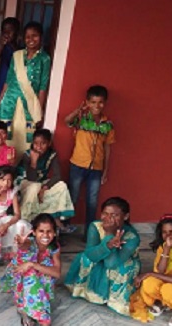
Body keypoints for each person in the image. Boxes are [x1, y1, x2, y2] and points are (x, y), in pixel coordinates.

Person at [65, 197, 141, 316]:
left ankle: (115, 299)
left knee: (125, 267)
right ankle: (87, 291)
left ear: (125, 216)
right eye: (105, 213)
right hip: (99, 257)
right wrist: (109, 244)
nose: (108, 218)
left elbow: (111, 264)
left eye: (114, 215)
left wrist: (110, 234)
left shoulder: (131, 236)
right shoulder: (95, 227)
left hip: (119, 262)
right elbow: (91, 254)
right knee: (85, 258)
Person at [0, 21, 51, 157]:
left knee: (24, 137)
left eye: (34, 36)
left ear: (41, 37)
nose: (31, 39)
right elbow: (8, 80)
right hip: (9, 101)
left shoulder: (45, 59)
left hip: (29, 104)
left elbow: (43, 86)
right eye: (27, 36)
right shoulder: (16, 55)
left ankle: (17, 168)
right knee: (4, 134)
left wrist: (39, 109)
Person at [0, 213, 61, 326]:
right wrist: (22, 244)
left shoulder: (54, 248)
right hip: (19, 277)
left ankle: (31, 311)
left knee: (43, 271)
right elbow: (25, 245)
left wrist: (32, 264)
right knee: (31, 275)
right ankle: (39, 318)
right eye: (41, 231)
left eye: (49, 231)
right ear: (34, 232)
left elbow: (57, 273)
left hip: (34, 274)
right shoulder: (29, 243)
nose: (45, 235)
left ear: (55, 233)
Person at [64, 85, 115, 227]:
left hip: (96, 168)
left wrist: (105, 170)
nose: (97, 106)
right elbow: (67, 121)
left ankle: (90, 233)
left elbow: (107, 148)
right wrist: (78, 110)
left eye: (100, 102)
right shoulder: (81, 119)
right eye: (93, 102)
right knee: (72, 198)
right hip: (77, 165)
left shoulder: (108, 125)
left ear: (105, 103)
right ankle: (65, 229)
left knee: (92, 201)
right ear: (87, 102)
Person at [17, 128, 75, 229]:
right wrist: (34, 162)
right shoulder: (27, 155)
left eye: (43, 143)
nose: (38, 147)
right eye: (36, 143)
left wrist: (44, 188)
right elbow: (31, 178)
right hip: (24, 182)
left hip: (40, 184)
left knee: (61, 185)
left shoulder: (52, 154)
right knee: (35, 187)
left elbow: (57, 176)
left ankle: (55, 219)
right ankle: (26, 219)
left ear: (49, 143)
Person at [0, 17, 21, 101]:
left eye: (10, 30)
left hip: (12, 86)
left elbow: (19, 61)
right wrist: (1, 45)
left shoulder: (19, 49)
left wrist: (12, 45)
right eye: (4, 31)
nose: (7, 33)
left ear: (16, 32)